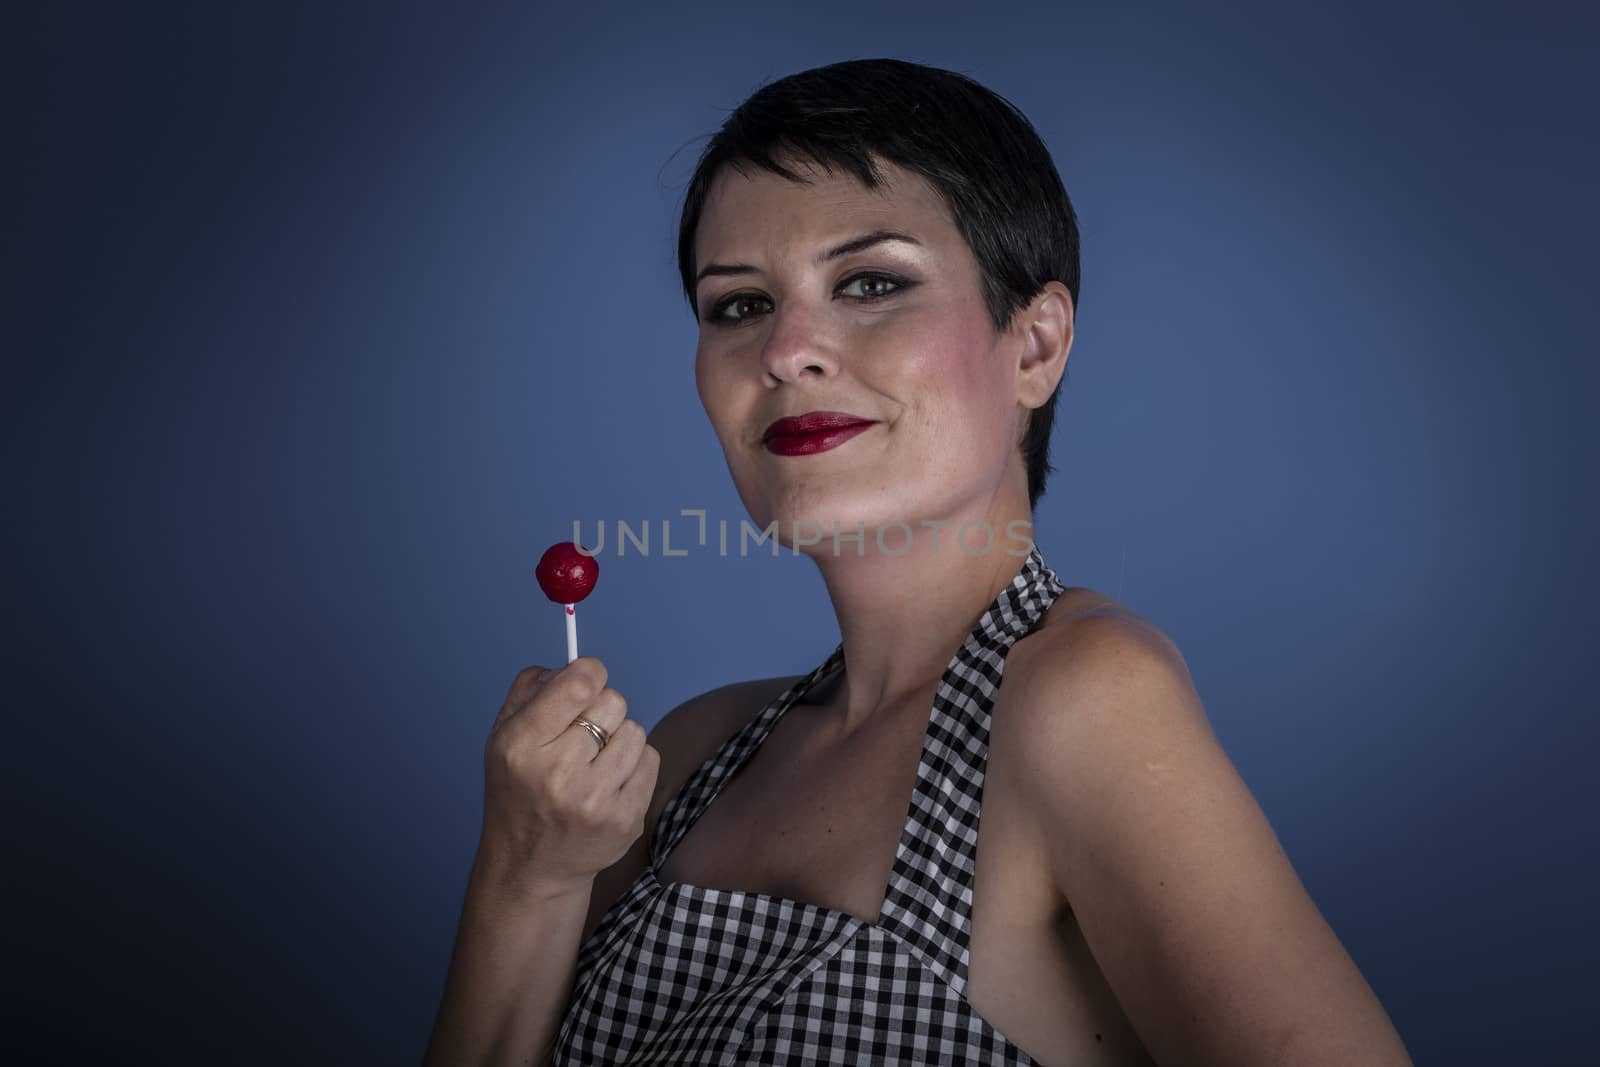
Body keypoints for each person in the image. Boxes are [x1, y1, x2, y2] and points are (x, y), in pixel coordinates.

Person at [425, 58, 1415, 1066]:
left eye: (869, 283)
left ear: (1032, 347)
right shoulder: (685, 754)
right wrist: (526, 875)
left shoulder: (1081, 703)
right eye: (737, 305)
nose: (786, 350)